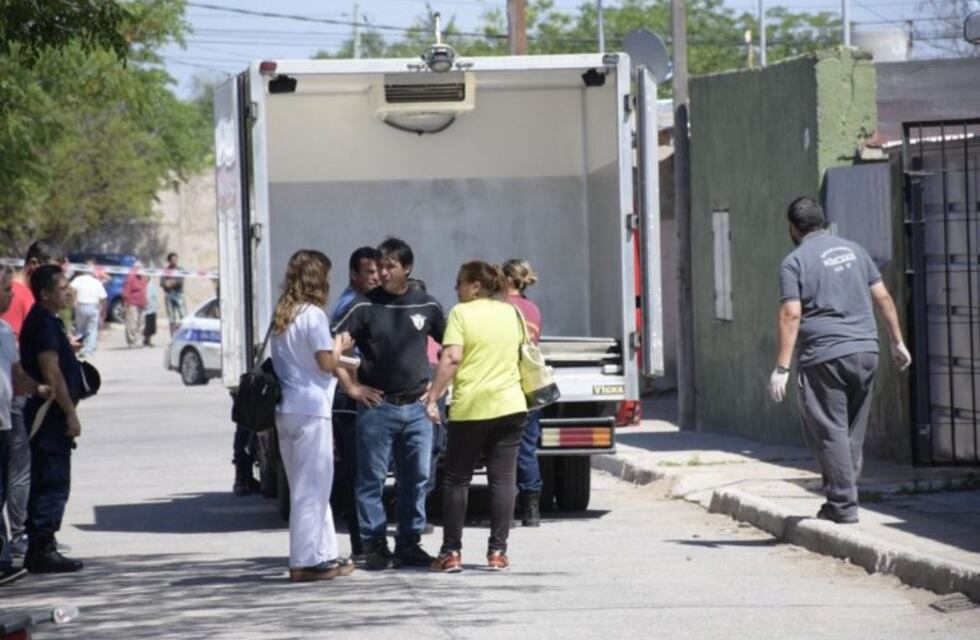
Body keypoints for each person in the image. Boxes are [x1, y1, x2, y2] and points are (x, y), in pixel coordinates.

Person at [769, 196, 911, 524]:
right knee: (850, 431)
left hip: (825, 356)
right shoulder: (855, 251)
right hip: (866, 351)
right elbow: (883, 297)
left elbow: (791, 314)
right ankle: (844, 489)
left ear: (793, 228)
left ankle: (843, 505)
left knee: (828, 429)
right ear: (823, 221)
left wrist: (782, 367)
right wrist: (897, 341)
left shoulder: (794, 262)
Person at [332, 237, 445, 571]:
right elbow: (332, 348)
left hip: (417, 409)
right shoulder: (363, 306)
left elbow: (453, 348)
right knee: (371, 480)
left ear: (406, 268)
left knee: (417, 478)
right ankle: (375, 545)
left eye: (388, 266)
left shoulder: (427, 305)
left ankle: (409, 542)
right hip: (377, 408)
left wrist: (436, 391)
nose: (381, 272)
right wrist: (352, 387)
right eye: (378, 266)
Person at [424, 261, 527, 572]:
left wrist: (434, 395)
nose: (456, 288)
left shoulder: (461, 313)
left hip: (472, 406)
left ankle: (451, 552)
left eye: (460, 282)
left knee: (457, 478)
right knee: (503, 479)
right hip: (511, 404)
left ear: (476, 286)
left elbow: (452, 357)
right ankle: (498, 552)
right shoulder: (512, 311)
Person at [270, 249, 356, 582]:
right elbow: (325, 362)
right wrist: (341, 346)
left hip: (287, 407)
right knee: (311, 489)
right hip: (311, 408)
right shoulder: (313, 315)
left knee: (311, 485)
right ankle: (304, 562)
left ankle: (325, 554)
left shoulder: (282, 313)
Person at [0, 240, 64, 558]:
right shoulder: (26, 301)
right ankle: (22, 536)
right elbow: (28, 355)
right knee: (19, 470)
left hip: (17, 395)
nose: (9, 295)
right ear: (35, 264)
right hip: (13, 402)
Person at [20, 265, 86, 572]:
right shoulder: (43, 323)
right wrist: (70, 414)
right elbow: (51, 372)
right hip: (50, 418)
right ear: (45, 293)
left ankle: (43, 543)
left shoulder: (49, 321)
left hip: (53, 416)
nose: (68, 291)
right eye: (62, 287)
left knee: (52, 478)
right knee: (51, 480)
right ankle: (41, 548)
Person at [328, 246, 381, 560]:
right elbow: (339, 354)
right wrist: (354, 387)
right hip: (351, 401)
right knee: (360, 473)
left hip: (358, 398)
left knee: (364, 472)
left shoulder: (362, 302)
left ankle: (366, 542)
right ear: (353, 274)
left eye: (377, 271)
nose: (375, 277)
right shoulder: (352, 305)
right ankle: (363, 544)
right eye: (368, 272)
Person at [0, 266, 50, 586]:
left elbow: (15, 376)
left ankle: (3, 557)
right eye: (6, 289)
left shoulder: (4, 329)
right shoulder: (3, 330)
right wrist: (40, 387)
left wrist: (36, 388)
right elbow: (19, 377)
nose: (10, 295)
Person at [503, 258, 544, 527]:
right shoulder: (533, 308)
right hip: (531, 385)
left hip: (507, 383)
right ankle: (532, 510)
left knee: (503, 449)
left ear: (507, 279)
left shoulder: (502, 308)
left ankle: (505, 506)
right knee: (527, 449)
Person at [70, 259, 107, 357]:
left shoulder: (78, 279)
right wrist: (103, 309)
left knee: (80, 328)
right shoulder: (96, 282)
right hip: (93, 306)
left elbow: (71, 288)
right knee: (92, 329)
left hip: (81, 305)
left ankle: (79, 348)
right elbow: (103, 297)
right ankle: (89, 350)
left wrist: (74, 301)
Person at [122, 261, 148, 348]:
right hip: (132, 303)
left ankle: (139, 340)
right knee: (132, 323)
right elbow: (126, 291)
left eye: (141, 268)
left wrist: (146, 301)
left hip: (142, 303)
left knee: (141, 323)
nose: (140, 270)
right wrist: (126, 304)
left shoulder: (143, 278)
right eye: (138, 268)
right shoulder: (130, 277)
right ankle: (131, 341)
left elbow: (144, 290)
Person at [161, 252, 186, 336]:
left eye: (176, 259)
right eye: (172, 260)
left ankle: (185, 335)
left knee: (183, 316)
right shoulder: (165, 271)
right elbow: (162, 283)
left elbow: (180, 282)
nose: (174, 261)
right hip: (168, 295)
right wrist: (170, 283)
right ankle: (174, 337)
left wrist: (170, 282)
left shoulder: (180, 270)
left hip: (178, 294)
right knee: (171, 319)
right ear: (169, 261)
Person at [143, 277, 158, 347]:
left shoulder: (152, 283)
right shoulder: (143, 284)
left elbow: (154, 295)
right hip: (145, 307)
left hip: (152, 306)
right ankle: (146, 340)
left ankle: (148, 340)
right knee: (147, 325)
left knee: (151, 325)